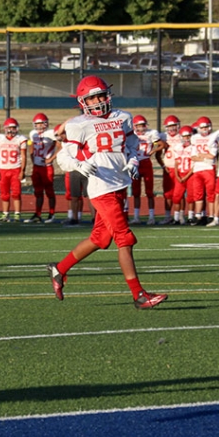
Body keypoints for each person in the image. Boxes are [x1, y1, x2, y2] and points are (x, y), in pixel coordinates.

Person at [46, 76, 167, 310]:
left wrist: (133, 160)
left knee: (100, 238)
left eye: (102, 95)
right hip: (101, 188)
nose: (99, 100)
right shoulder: (78, 124)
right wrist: (79, 165)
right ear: (83, 101)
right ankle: (139, 295)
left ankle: (58, 269)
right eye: (93, 97)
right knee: (125, 238)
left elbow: (132, 146)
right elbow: (63, 156)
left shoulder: (123, 117)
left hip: (120, 183)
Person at [129, 114, 165, 225]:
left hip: (146, 162)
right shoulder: (131, 135)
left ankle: (151, 217)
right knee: (136, 192)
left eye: (143, 125)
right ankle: (136, 217)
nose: (141, 128)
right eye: (138, 126)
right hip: (135, 163)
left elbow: (161, 144)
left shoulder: (151, 135)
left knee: (149, 192)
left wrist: (153, 151)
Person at [27, 112, 58, 223]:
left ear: (46, 124)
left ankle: (51, 213)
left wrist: (51, 158)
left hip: (47, 167)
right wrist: (32, 159)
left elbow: (60, 146)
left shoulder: (51, 133)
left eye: (41, 124)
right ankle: (38, 213)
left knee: (49, 191)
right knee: (38, 192)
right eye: (37, 124)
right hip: (37, 167)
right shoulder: (33, 134)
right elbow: (31, 147)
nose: (39, 126)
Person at [0, 117, 27, 222]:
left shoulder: (20, 139)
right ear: (5, 128)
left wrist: (22, 170)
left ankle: (17, 214)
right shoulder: (0, 138)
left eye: (14, 128)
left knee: (16, 193)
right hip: (3, 169)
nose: (12, 130)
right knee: (4, 194)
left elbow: (23, 156)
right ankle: (5, 214)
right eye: (10, 128)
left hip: (15, 168)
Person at [59, 123, 90, 225]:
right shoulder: (68, 142)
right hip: (75, 169)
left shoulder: (87, 139)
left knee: (90, 196)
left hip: (85, 168)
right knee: (74, 196)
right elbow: (59, 134)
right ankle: (74, 218)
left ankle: (95, 218)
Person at [157, 115, 182, 224]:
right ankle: (168, 216)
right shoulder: (163, 137)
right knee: (167, 194)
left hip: (180, 168)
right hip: (167, 168)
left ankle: (180, 216)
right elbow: (156, 150)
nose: (172, 129)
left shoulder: (182, 136)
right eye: (169, 127)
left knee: (179, 194)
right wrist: (163, 166)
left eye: (174, 126)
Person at [168, 125, 195, 225]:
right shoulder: (178, 147)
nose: (186, 139)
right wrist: (177, 175)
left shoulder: (193, 148)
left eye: (188, 136)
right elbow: (176, 163)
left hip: (190, 174)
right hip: (180, 174)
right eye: (184, 137)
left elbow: (193, 166)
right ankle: (176, 218)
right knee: (176, 197)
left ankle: (191, 217)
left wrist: (186, 176)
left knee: (191, 197)